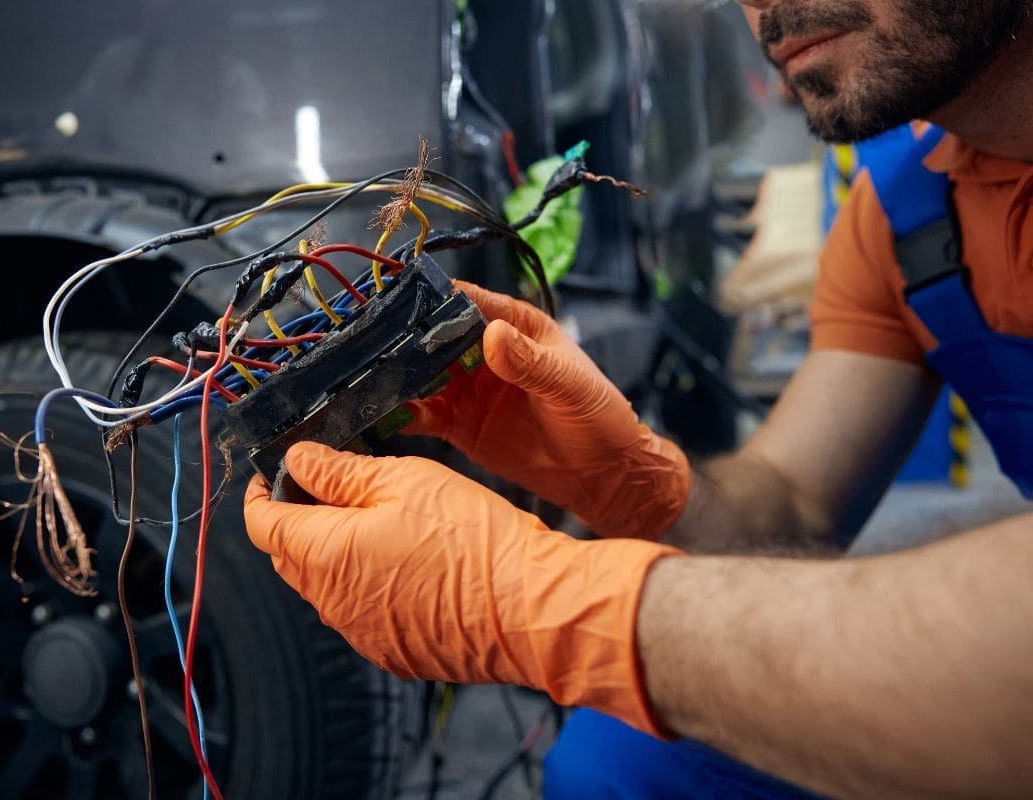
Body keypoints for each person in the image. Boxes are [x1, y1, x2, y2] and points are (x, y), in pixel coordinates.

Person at [243, 0, 1033, 796]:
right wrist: (640, 484)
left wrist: (549, 608)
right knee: (622, 762)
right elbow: (794, 508)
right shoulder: (905, 215)